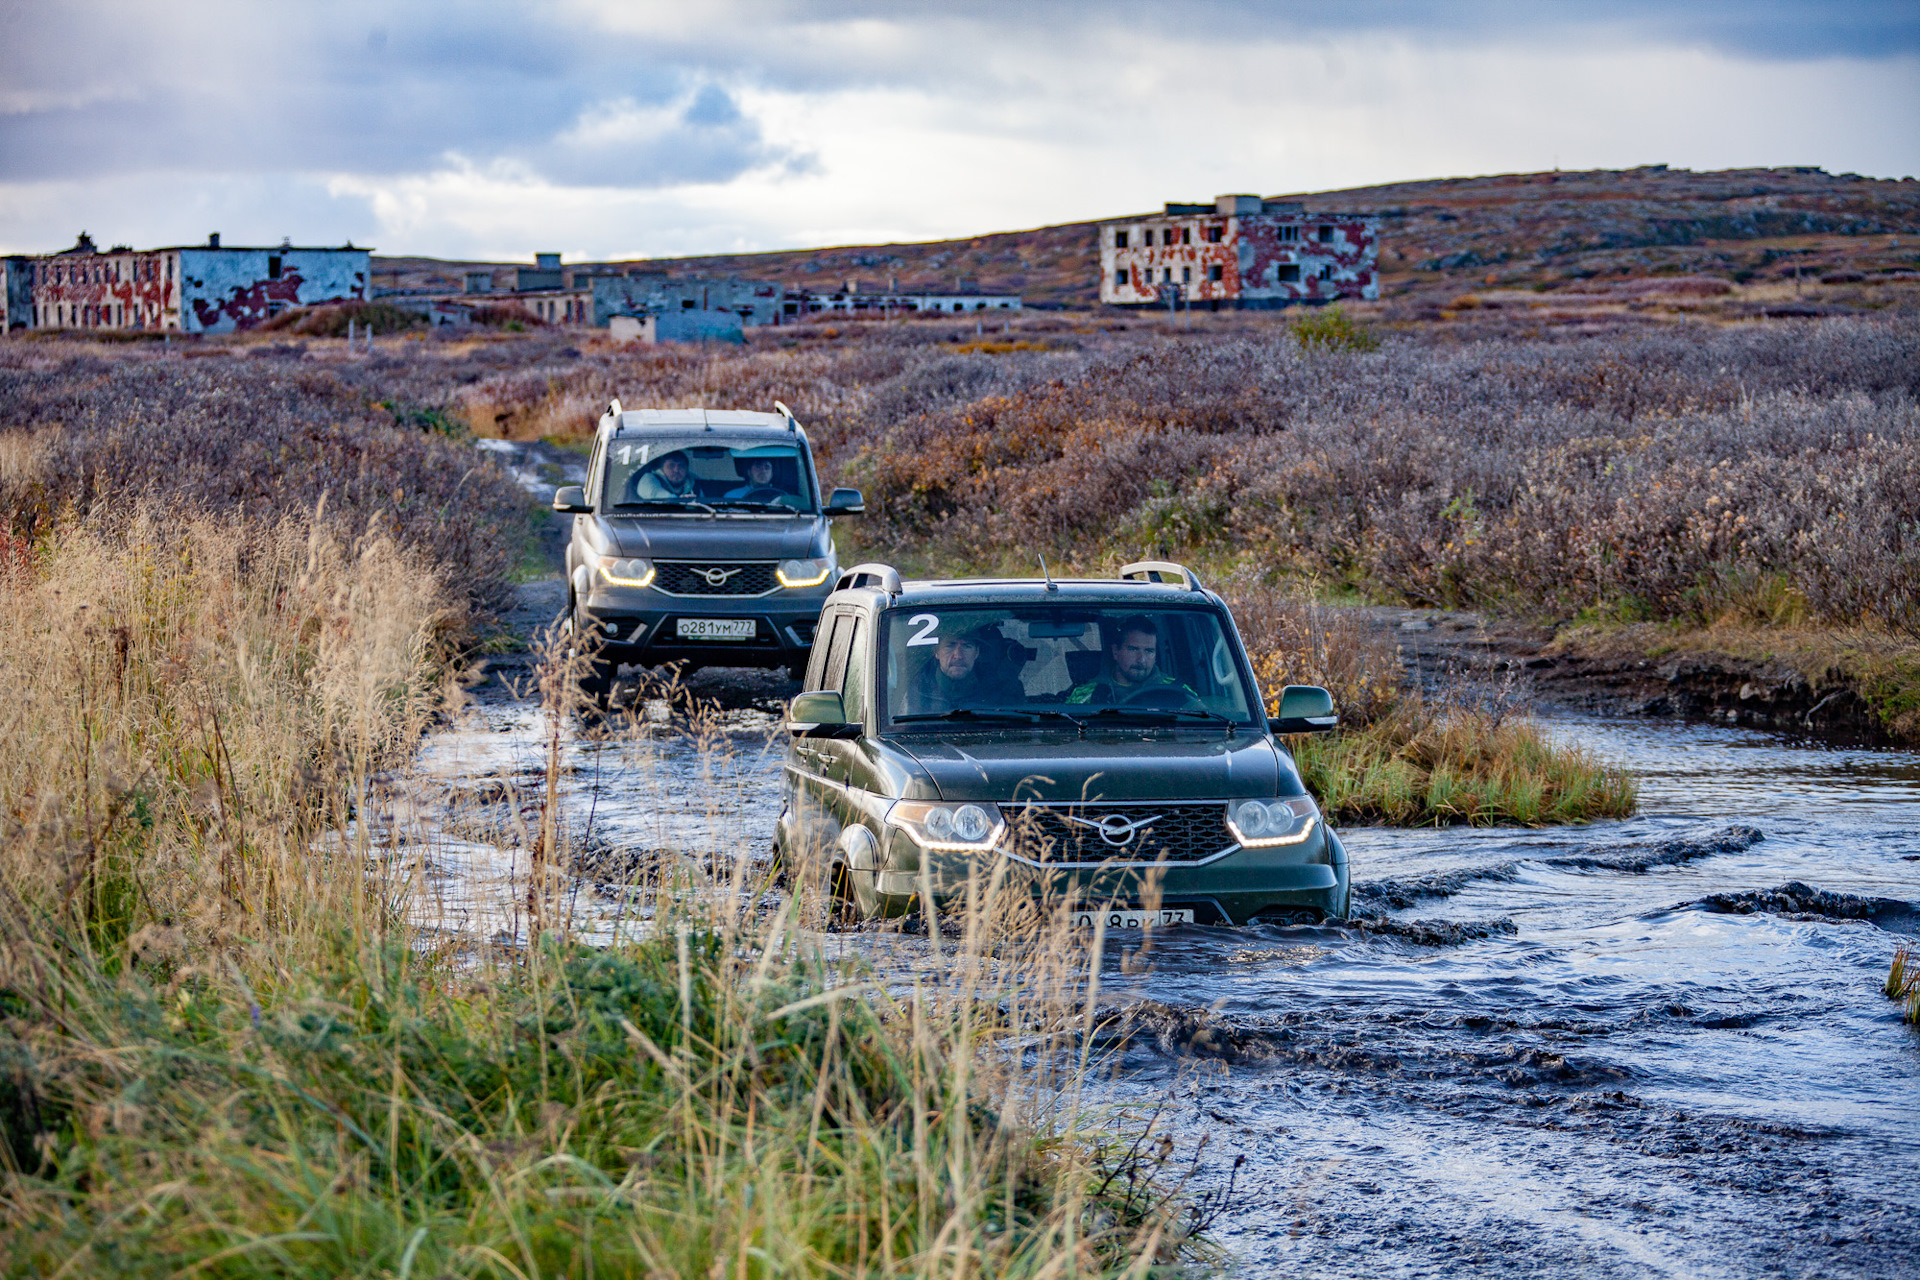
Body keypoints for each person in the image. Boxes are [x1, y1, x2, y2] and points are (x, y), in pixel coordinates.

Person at [1065, 615, 1196, 706]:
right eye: (1133, 649)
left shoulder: (1177, 690)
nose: (1141, 660)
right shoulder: (1085, 695)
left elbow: (1204, 719)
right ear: (1116, 652)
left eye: (1149, 651)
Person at [906, 625, 1022, 713]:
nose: (958, 655)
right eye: (950, 645)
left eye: (966, 646)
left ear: (976, 653)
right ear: (936, 652)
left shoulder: (1000, 691)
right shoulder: (917, 689)